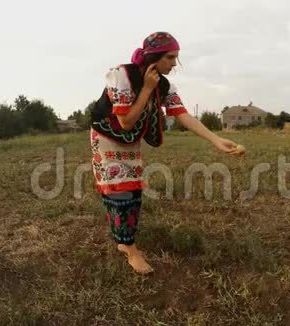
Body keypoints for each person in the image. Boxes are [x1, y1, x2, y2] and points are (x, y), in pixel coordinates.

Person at [90, 32, 239, 274]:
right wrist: (148, 89)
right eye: (170, 57)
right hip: (107, 137)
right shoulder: (121, 76)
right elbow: (126, 121)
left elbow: (182, 115)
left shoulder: (165, 84)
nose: (174, 63)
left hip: (129, 140)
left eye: (176, 57)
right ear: (154, 57)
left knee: (133, 190)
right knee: (119, 190)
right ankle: (129, 248)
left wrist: (216, 139)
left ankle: (124, 240)